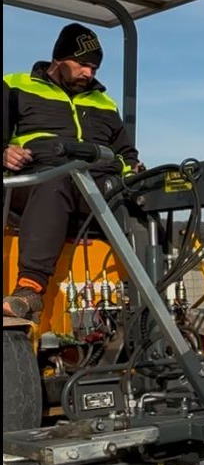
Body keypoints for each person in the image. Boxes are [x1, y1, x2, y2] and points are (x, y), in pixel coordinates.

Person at [3, 23, 141, 321]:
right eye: (82, 64)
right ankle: (30, 289)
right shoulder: (15, 86)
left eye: (94, 67)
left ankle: (150, 295)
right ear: (58, 59)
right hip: (34, 182)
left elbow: (128, 155)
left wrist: (132, 172)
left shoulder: (103, 102)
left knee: (146, 198)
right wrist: (5, 153)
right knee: (58, 180)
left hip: (95, 184)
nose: (89, 73)